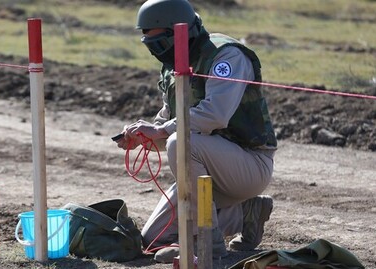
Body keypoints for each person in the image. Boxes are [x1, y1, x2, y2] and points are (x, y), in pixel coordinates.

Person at [114, 0, 278, 263]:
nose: (156, 52)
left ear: (179, 32)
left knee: (180, 142)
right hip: (204, 169)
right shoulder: (173, 63)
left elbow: (214, 114)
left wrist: (161, 131)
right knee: (154, 237)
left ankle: (209, 244)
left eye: (158, 43)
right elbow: (166, 124)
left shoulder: (226, 56)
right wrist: (144, 136)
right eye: (149, 44)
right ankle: (248, 212)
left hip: (249, 164)